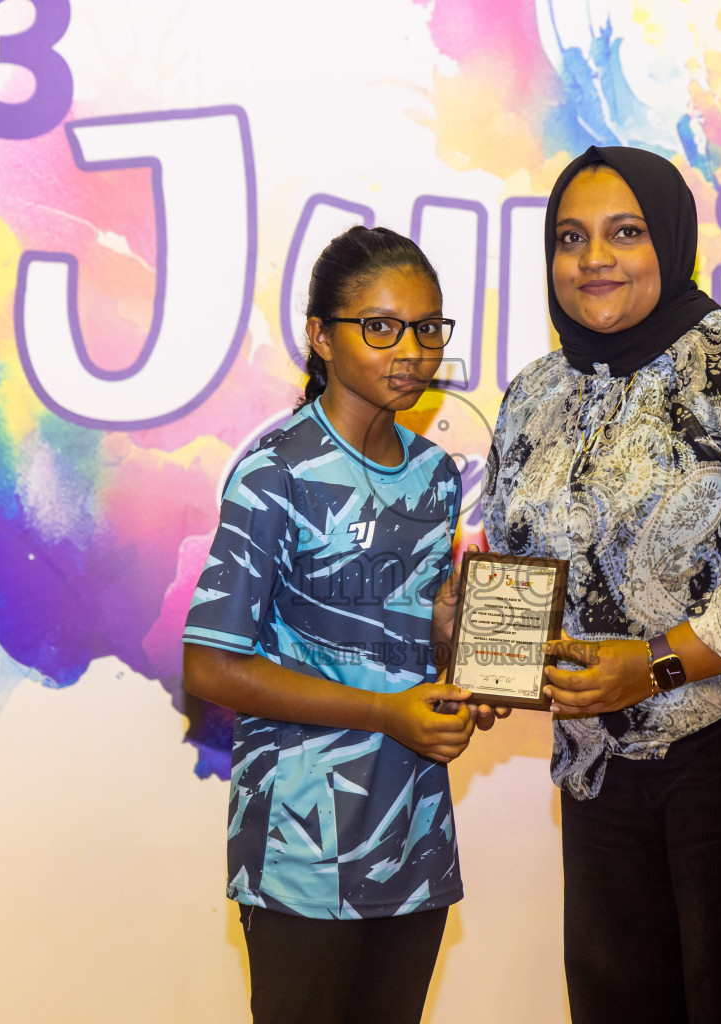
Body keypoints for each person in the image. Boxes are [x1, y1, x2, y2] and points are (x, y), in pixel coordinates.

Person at [481, 146, 721, 1023]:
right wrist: (483, 656)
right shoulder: (535, 394)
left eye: (624, 232)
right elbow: (518, 567)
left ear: (670, 238)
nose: (594, 259)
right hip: (601, 766)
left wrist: (651, 665)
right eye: (572, 237)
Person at [183, 226, 498, 1024]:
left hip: (413, 837)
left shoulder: (435, 478)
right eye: (381, 326)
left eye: (428, 329)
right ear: (322, 336)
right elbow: (212, 667)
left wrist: (471, 669)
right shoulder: (276, 472)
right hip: (301, 847)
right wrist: (385, 711)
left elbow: (404, 641)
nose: (412, 350)